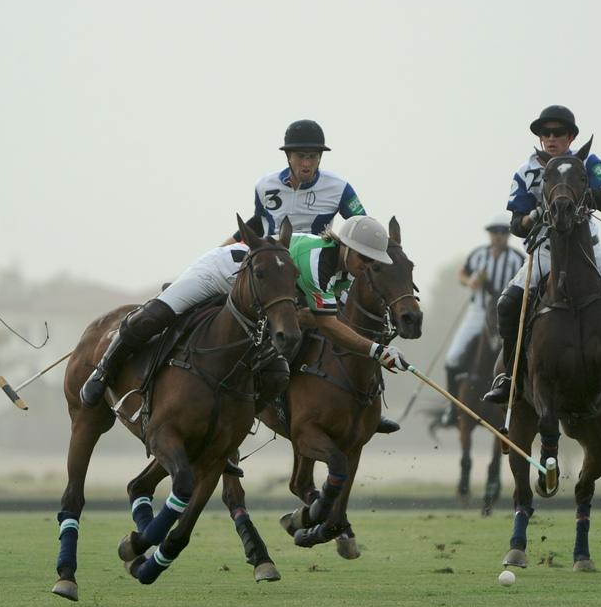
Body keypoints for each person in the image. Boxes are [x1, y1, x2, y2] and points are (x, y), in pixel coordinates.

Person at [79, 215, 411, 412]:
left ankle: (232, 424)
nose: (367, 266)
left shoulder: (346, 272)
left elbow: (324, 318)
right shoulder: (317, 261)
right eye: (364, 258)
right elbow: (330, 325)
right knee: (155, 316)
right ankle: (104, 370)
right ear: (346, 248)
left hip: (261, 297)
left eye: (372, 262)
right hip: (223, 272)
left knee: (276, 372)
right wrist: (378, 351)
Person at [225, 119, 401, 433]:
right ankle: (247, 396)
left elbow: (362, 225)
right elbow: (256, 222)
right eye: (300, 156)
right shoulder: (265, 185)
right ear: (288, 157)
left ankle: (370, 398)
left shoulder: (340, 188)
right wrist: (222, 247)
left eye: (313, 156)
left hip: (321, 267)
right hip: (276, 273)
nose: (306, 163)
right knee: (238, 320)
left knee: (361, 320)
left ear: (320, 158)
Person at [483, 105, 601, 407]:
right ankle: (510, 375)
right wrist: (535, 214)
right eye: (545, 133)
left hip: (589, 251)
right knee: (507, 305)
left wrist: (588, 195)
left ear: (571, 136)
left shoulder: (589, 162)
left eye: (558, 132)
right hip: (546, 252)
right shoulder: (525, 171)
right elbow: (516, 226)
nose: (551, 138)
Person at [439, 214, 526, 426]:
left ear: (508, 235)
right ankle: (452, 407)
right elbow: (463, 274)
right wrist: (470, 281)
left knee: (520, 357)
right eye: (494, 232)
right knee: (452, 358)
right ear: (489, 234)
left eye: (503, 232)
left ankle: (519, 405)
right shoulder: (478, 255)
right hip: (477, 312)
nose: (498, 236)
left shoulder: (518, 259)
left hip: (505, 316)